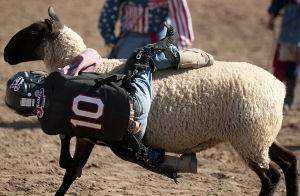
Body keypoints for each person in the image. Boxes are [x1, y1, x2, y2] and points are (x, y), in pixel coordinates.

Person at [5, 26, 212, 177]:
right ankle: (196, 58)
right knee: (141, 57)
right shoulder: (60, 80)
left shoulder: (49, 126)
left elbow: (79, 138)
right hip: (135, 102)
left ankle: (179, 164)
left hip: (129, 134)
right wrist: (70, 68)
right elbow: (91, 57)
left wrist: (71, 158)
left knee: (124, 150)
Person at [98, 0, 194, 59]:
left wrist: (181, 47)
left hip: (159, 37)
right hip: (130, 36)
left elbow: (179, 13)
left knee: (161, 73)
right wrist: (108, 35)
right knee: (120, 71)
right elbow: (110, 8)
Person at [267, 0, 300, 110]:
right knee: (289, 65)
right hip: (289, 29)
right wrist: (272, 17)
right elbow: (277, 2)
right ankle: (288, 100)